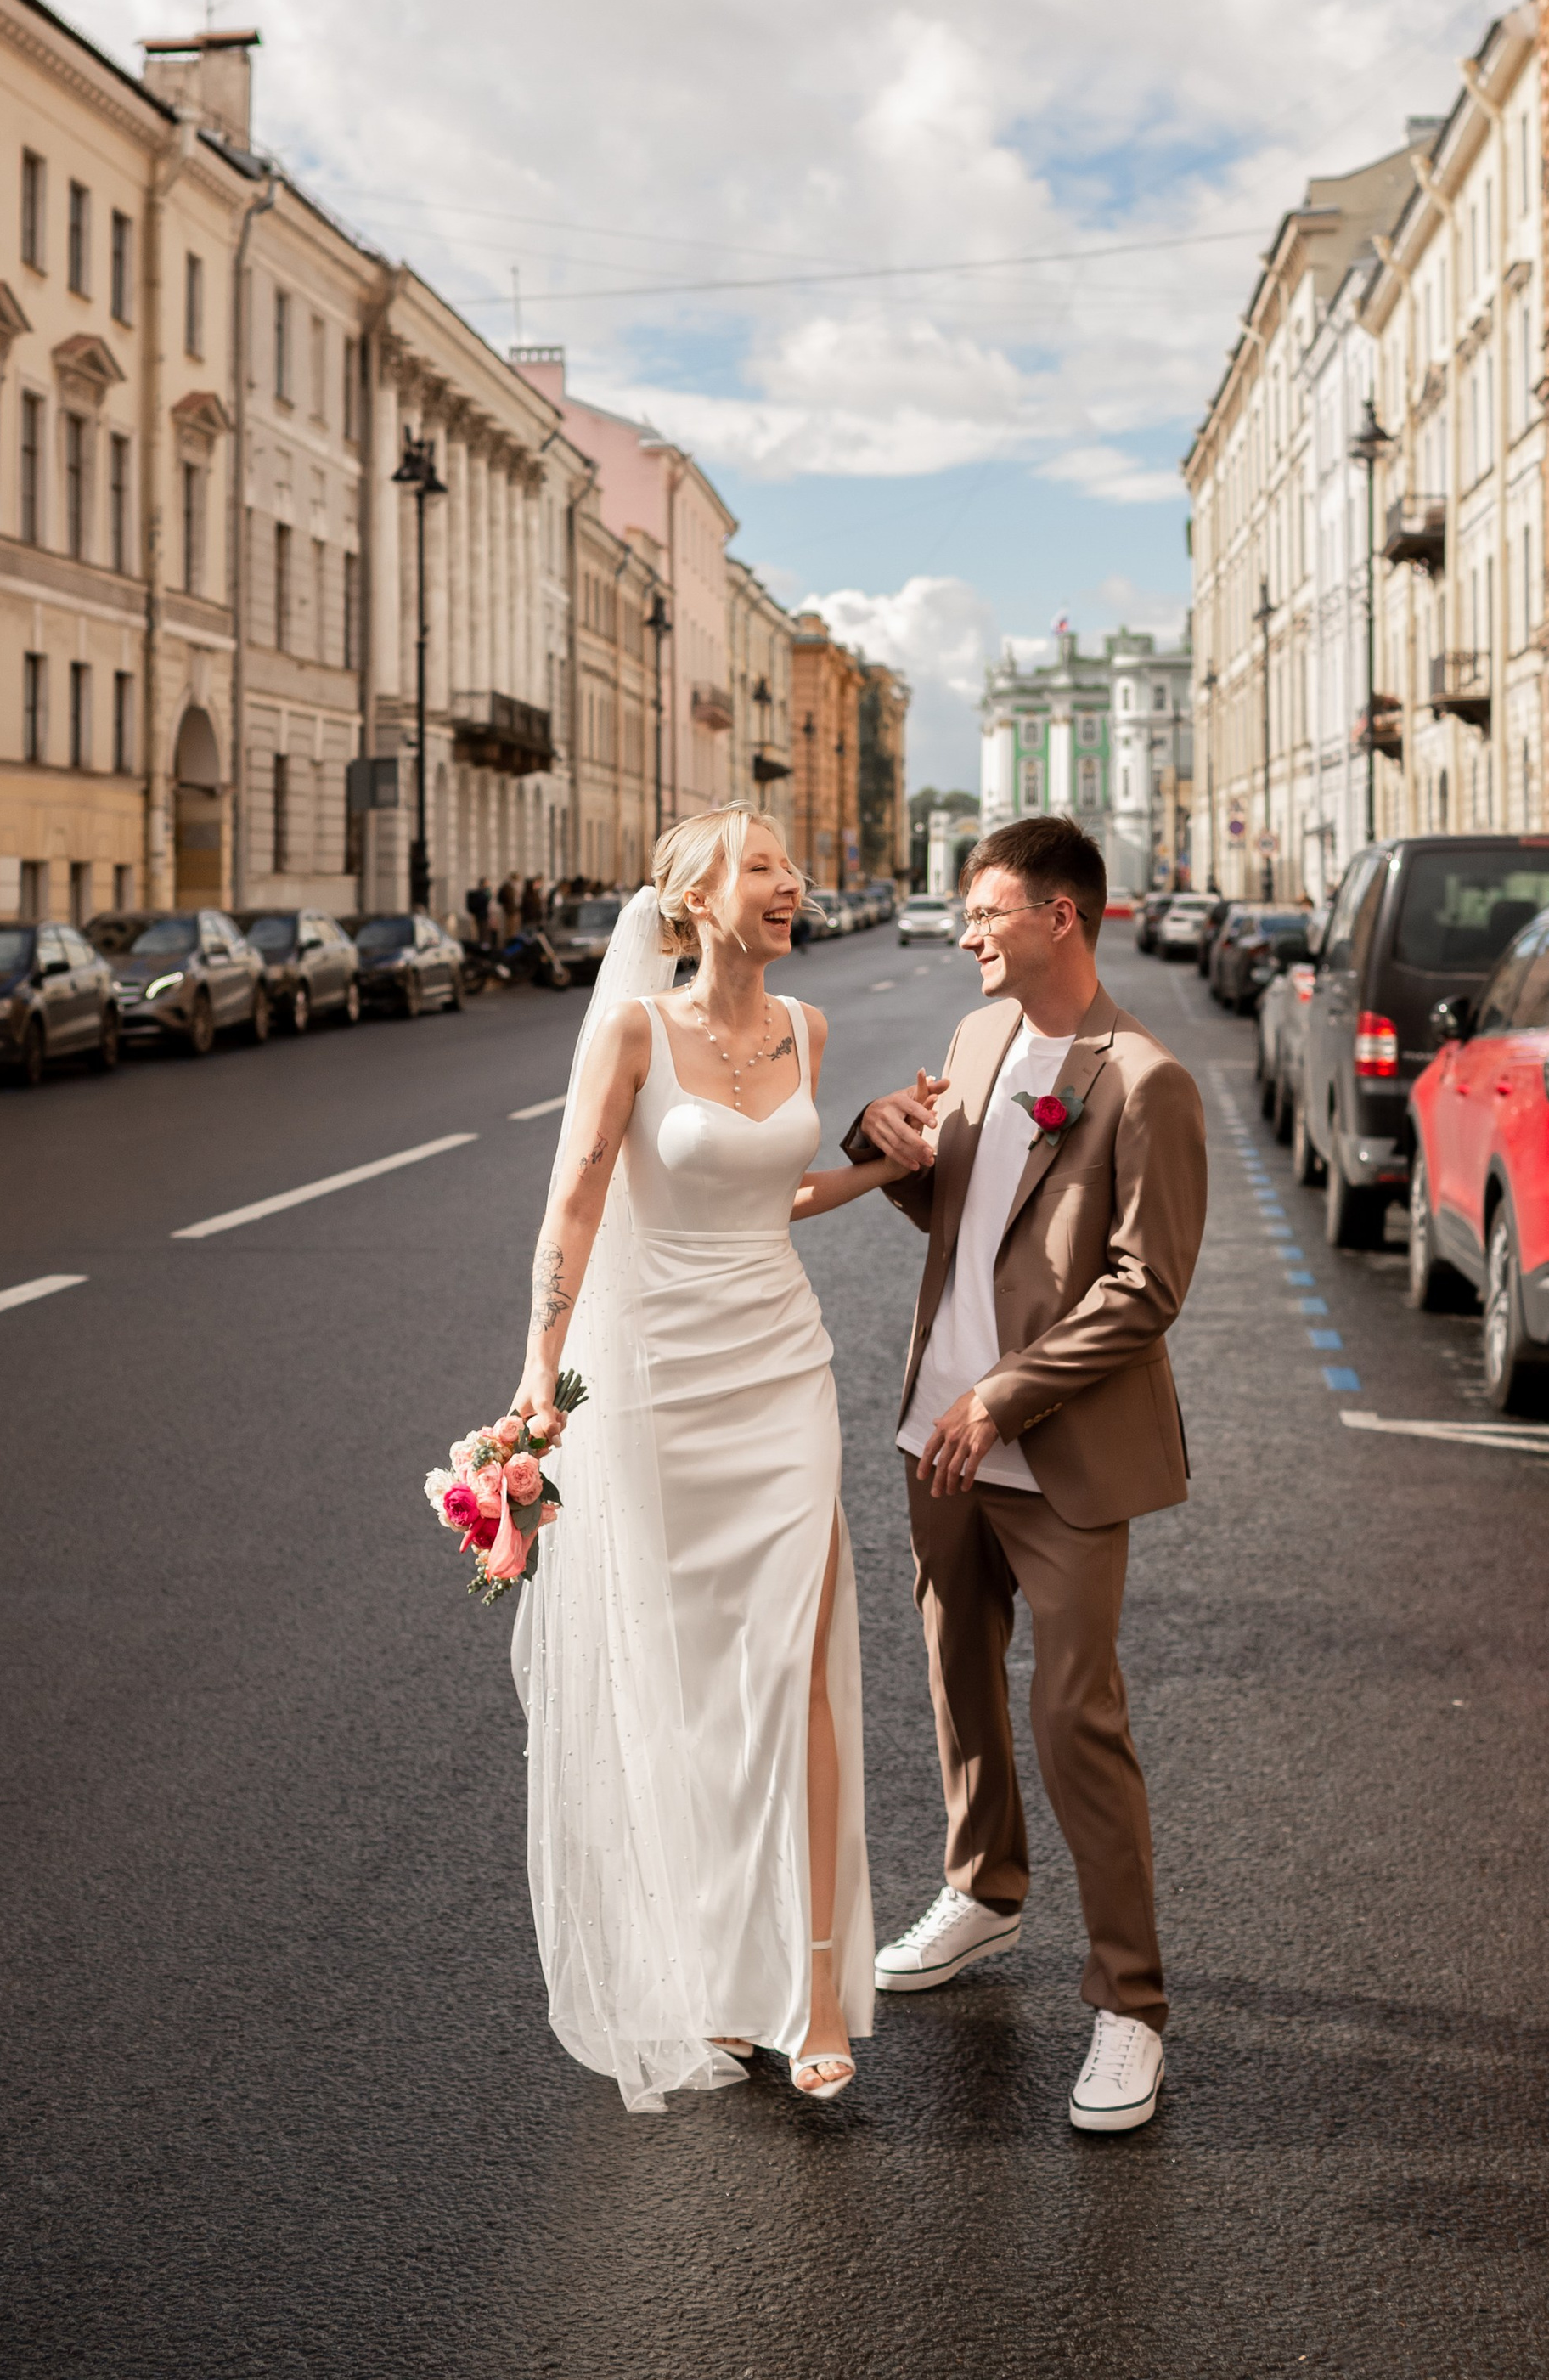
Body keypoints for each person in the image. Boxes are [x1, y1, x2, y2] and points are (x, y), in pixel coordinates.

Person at [508, 805, 907, 2112]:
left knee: (796, 1668)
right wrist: (538, 1382)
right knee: (696, 1689)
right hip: (662, 1380)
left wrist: (878, 1151)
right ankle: (723, 1986)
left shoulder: (809, 1031)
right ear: (692, 901)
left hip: (782, 1366)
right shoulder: (631, 1030)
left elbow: (772, 1196)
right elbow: (577, 1197)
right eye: (763, 868)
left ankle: (817, 1992)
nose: (791, 884)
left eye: (794, 863)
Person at [848, 813, 1206, 2136]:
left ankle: (1130, 2004)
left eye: (987, 910)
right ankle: (985, 1893)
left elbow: (1145, 1290)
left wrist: (1006, 1392)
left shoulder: (1143, 1080)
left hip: (1049, 1448)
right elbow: (952, 1208)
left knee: (1075, 1716)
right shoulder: (978, 1041)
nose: (966, 931)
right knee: (953, 1668)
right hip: (932, 1431)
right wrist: (883, 1138)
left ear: (1063, 917)